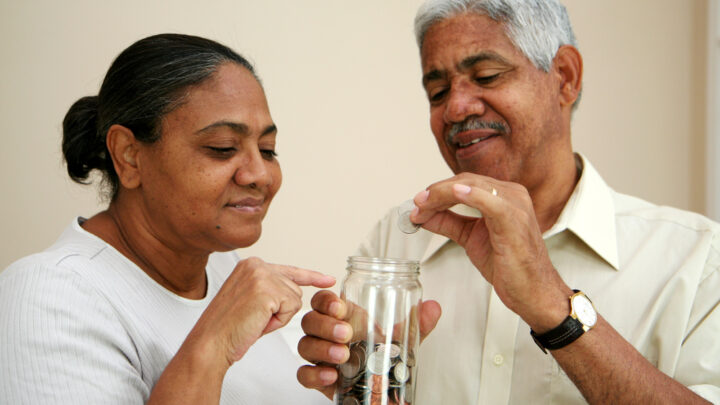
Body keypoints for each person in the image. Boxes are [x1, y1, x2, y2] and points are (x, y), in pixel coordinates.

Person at [295, 1, 720, 404]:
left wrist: (554, 306)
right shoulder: (400, 238)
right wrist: (356, 379)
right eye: (438, 91)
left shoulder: (696, 259)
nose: (456, 108)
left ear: (566, 77)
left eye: (486, 75)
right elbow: (364, 388)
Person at [0, 33, 334, 404]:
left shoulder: (222, 267)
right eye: (222, 148)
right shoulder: (49, 295)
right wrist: (214, 342)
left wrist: (355, 370)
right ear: (128, 155)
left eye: (268, 150)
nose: (260, 174)